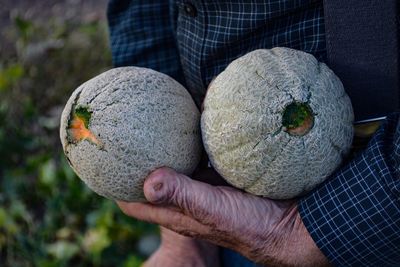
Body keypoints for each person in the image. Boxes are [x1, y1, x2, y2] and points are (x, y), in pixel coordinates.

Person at [107, 1, 400, 266]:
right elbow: (143, 10)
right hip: (229, 214)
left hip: (370, 216)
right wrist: (184, 231)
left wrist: (314, 233)